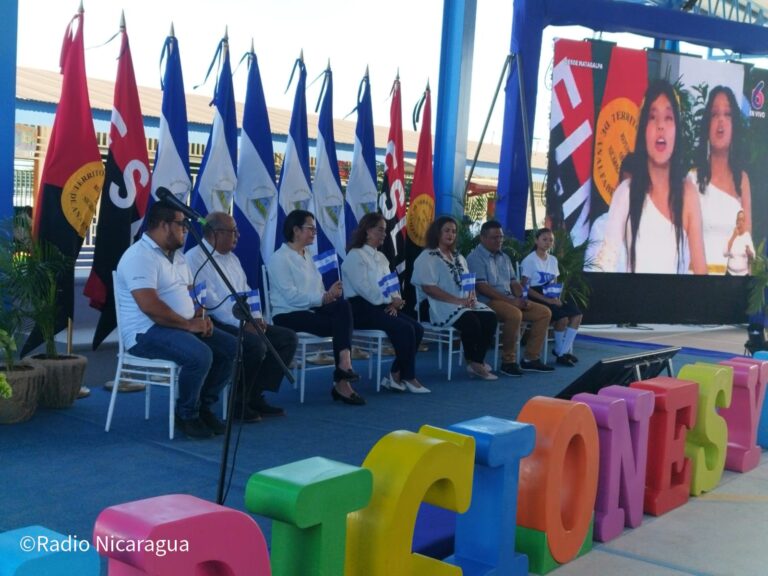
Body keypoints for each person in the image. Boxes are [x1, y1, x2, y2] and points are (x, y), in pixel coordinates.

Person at [115, 199, 236, 439]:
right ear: (164, 225)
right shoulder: (139, 256)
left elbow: (193, 294)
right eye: (182, 225)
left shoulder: (178, 257)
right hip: (146, 332)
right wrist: (189, 325)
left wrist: (201, 316)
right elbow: (150, 307)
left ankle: (204, 406)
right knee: (200, 355)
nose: (186, 230)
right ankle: (186, 414)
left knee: (231, 347)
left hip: (179, 327)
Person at [185, 212, 298, 421]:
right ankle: (237, 403)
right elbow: (211, 304)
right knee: (254, 345)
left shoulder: (233, 259)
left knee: (287, 338)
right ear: (216, 233)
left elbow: (247, 292)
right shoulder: (195, 258)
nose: (238, 235)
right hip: (213, 321)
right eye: (233, 231)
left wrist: (256, 317)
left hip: (243, 319)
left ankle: (254, 395)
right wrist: (244, 324)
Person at [596, 79, 707, 274]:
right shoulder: (626, 192)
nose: (660, 126)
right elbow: (604, 265)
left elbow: (701, 274)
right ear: (643, 130)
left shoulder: (688, 194)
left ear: (677, 130)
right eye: (653, 117)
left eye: (668, 118)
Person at [267, 209, 365, 405]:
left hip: (311, 309)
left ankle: (344, 366)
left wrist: (329, 294)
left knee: (343, 306)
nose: (314, 232)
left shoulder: (308, 255)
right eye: (310, 228)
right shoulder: (279, 258)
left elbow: (317, 290)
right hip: (288, 314)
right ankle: (343, 378)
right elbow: (290, 296)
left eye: (315, 229)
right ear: (296, 230)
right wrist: (324, 298)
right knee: (341, 325)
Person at [342, 213, 428, 393]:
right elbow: (365, 290)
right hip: (360, 309)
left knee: (417, 328)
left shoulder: (381, 257)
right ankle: (408, 377)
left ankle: (396, 373)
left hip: (382, 305)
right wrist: (390, 300)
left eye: (385, 230)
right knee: (404, 329)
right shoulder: (355, 256)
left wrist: (396, 300)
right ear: (367, 231)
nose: (384, 234)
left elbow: (391, 283)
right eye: (380, 230)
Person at [412, 215, 499, 380]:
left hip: (462, 302)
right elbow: (428, 288)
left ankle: (477, 361)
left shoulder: (459, 257)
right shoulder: (427, 257)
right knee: (471, 321)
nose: (451, 234)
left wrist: (471, 296)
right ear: (437, 233)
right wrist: (458, 301)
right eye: (446, 230)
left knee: (490, 318)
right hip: (433, 303)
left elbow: (468, 281)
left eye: (453, 231)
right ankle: (474, 363)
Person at [467, 220, 554, 376]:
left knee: (544, 312)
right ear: (483, 238)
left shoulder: (504, 257)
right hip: (487, 302)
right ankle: (508, 361)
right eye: (494, 237)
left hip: (509, 299)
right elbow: (482, 287)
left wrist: (522, 297)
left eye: (501, 237)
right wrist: (512, 302)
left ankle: (530, 358)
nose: (499, 240)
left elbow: (514, 282)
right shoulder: (475, 257)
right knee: (514, 314)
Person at [691, 85, 752, 275]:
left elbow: (746, 244)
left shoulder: (742, 180)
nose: (721, 121)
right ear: (707, 124)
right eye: (715, 114)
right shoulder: (692, 179)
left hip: (733, 281)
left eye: (727, 114)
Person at [520, 228, 582, 367]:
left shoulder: (553, 260)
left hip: (550, 295)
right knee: (562, 318)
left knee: (577, 315)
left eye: (551, 240)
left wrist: (556, 298)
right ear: (536, 241)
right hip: (536, 296)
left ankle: (561, 352)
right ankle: (562, 354)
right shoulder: (529, 260)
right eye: (544, 239)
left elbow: (554, 283)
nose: (548, 242)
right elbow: (525, 288)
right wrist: (548, 300)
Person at [724, 210, 755, 276]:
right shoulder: (731, 234)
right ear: (736, 221)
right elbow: (724, 253)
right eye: (739, 219)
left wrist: (749, 253)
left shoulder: (747, 236)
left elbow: (753, 256)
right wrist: (733, 236)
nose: (740, 222)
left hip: (744, 274)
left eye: (742, 220)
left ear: (744, 222)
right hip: (730, 273)